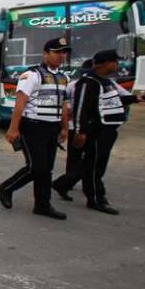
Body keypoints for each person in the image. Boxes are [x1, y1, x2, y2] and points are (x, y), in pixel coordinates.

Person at [69, 50, 145, 214]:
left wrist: (139, 98)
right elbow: (81, 109)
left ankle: (65, 185)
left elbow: (116, 100)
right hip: (95, 131)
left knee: (96, 164)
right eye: (115, 62)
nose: (117, 65)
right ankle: (95, 198)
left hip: (108, 130)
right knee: (94, 166)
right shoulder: (89, 83)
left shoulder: (106, 82)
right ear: (105, 63)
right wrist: (80, 132)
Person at [0, 37, 70, 220]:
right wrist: (13, 129)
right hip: (33, 126)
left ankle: (42, 205)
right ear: (45, 54)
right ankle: (7, 187)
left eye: (63, 52)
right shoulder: (32, 75)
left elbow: (63, 105)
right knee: (36, 167)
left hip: (52, 127)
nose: (61, 56)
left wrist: (64, 128)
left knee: (47, 168)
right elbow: (20, 103)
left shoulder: (63, 78)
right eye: (57, 52)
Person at [51, 59, 95, 201]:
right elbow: (64, 103)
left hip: (94, 128)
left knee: (90, 159)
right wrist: (65, 123)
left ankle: (68, 182)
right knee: (79, 158)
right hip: (76, 127)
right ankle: (67, 183)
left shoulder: (106, 84)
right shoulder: (74, 85)